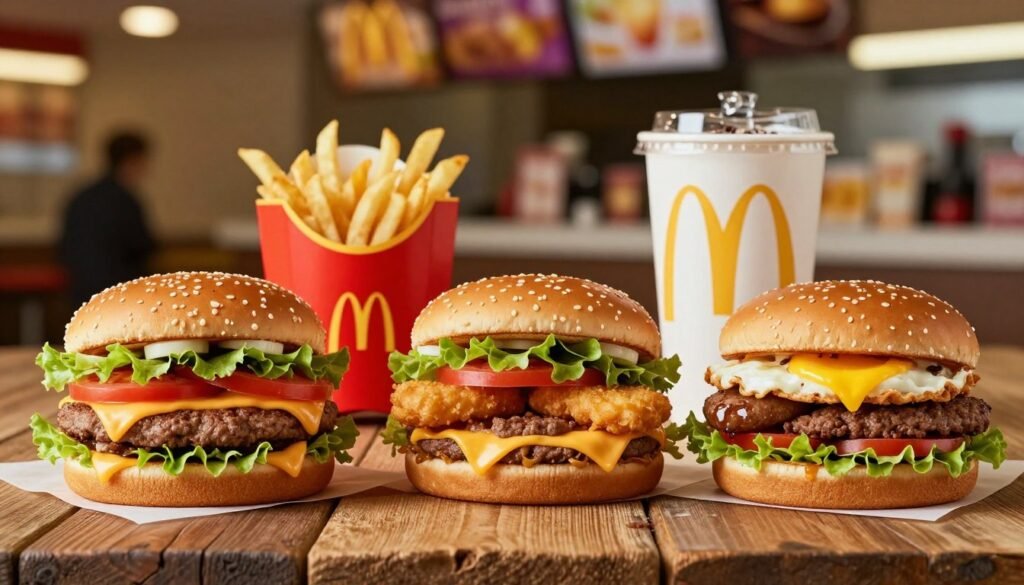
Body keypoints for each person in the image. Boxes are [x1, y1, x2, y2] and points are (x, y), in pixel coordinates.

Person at [60, 131, 156, 307]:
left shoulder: (82, 196)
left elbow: (65, 246)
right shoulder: (125, 201)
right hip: (120, 293)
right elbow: (142, 245)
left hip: (80, 291)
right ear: (132, 160)